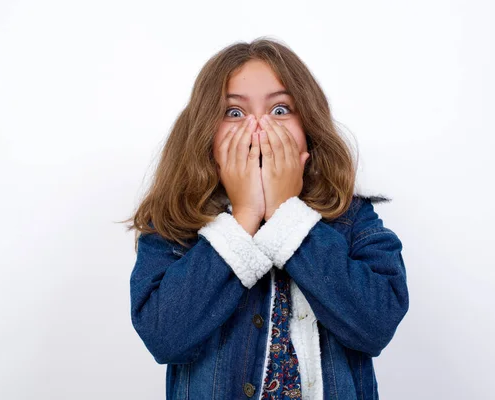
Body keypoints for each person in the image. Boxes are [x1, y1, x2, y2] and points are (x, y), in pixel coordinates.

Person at [124, 37, 409, 400]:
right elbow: (163, 337)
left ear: (308, 128)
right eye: (234, 112)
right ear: (206, 135)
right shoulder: (174, 225)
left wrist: (284, 211)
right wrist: (244, 216)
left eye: (279, 110)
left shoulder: (351, 218)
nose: (258, 127)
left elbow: (376, 326)